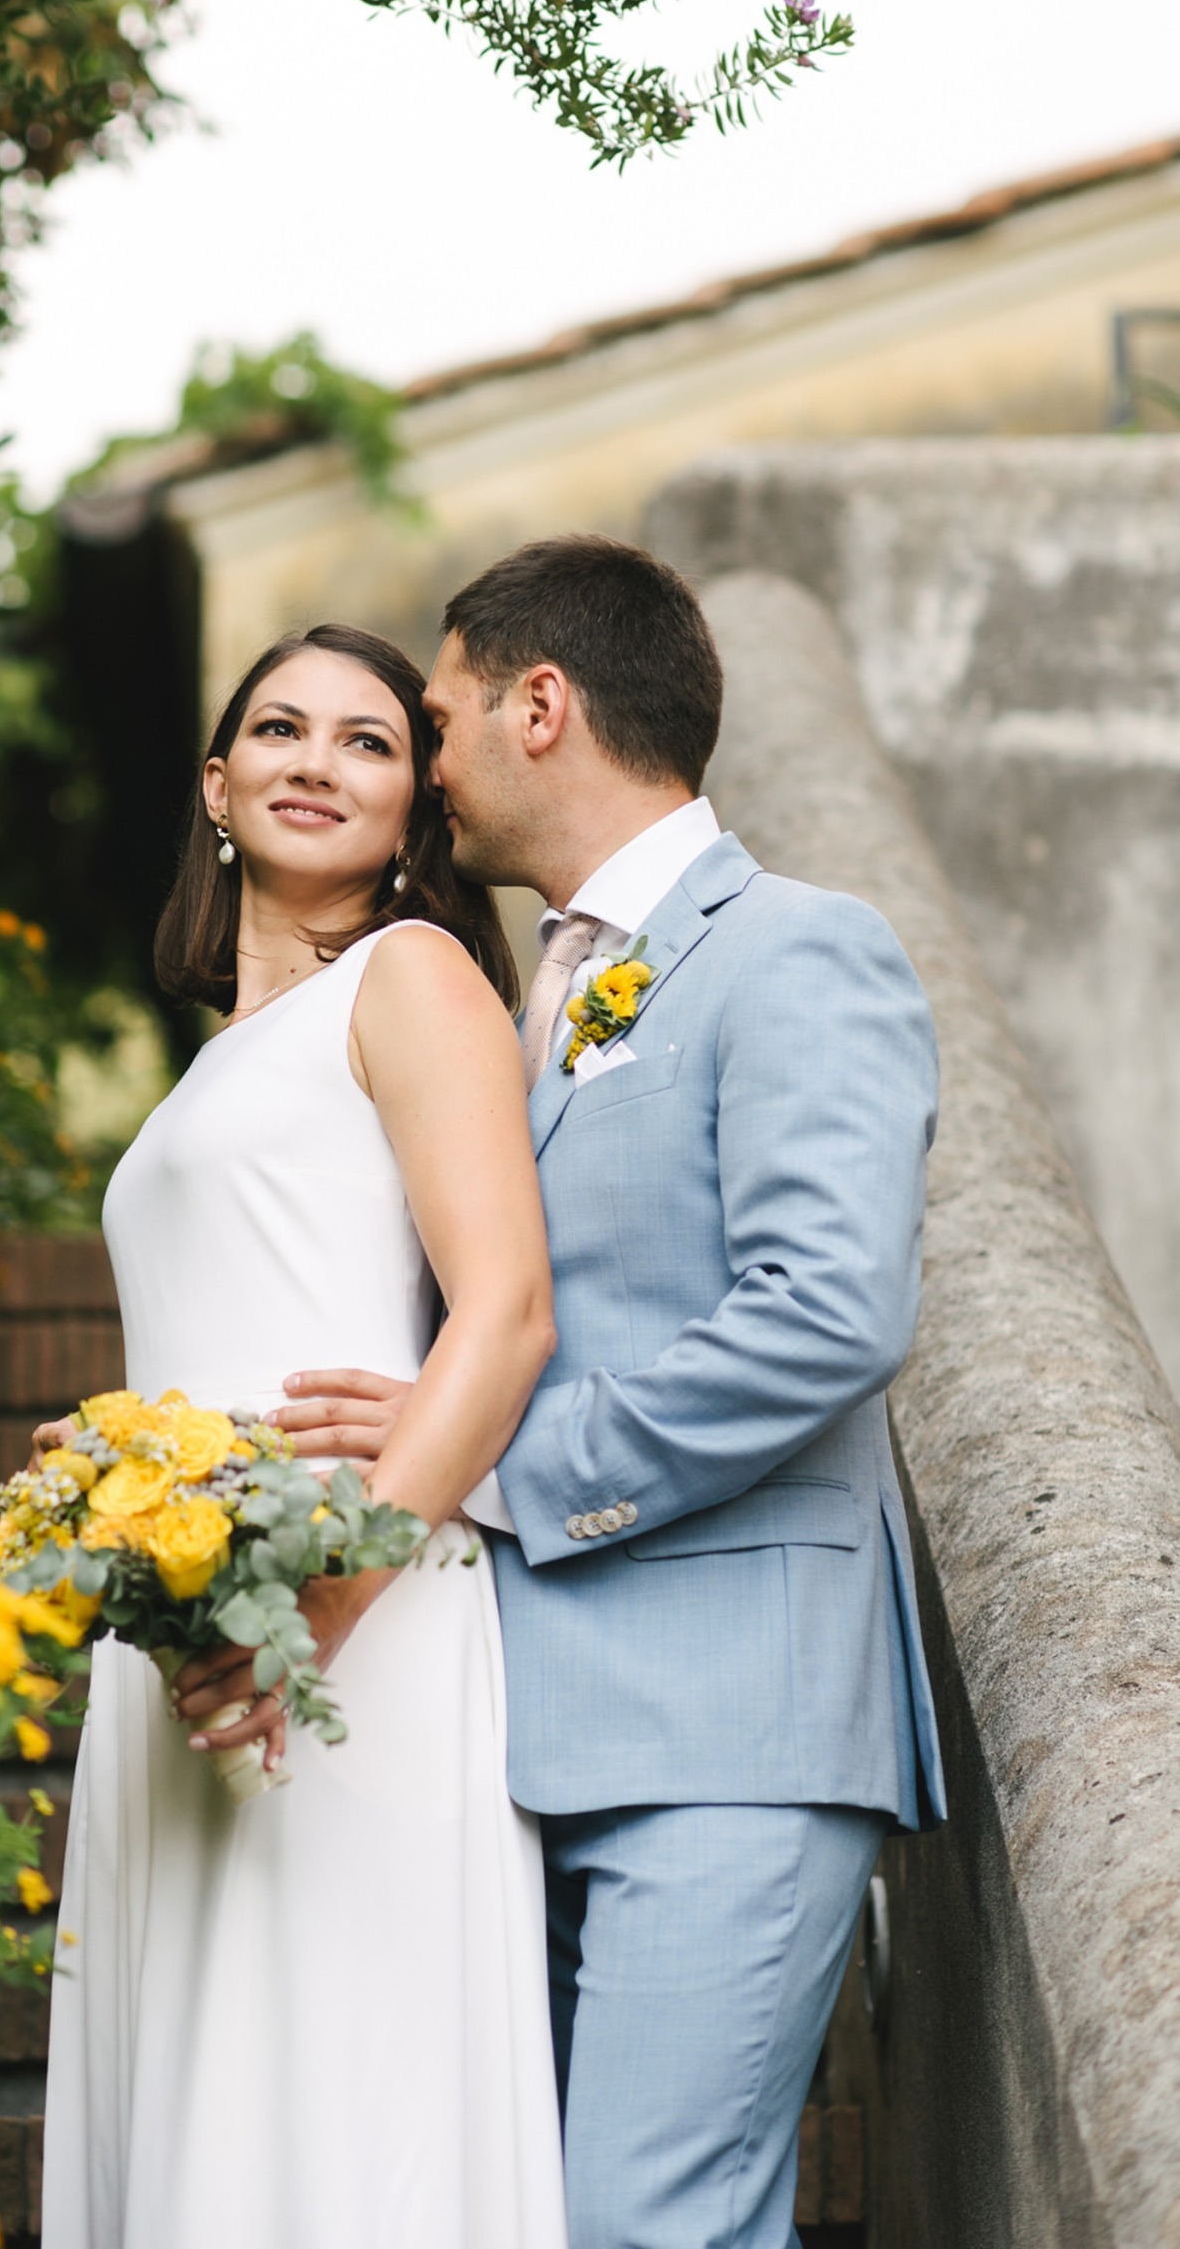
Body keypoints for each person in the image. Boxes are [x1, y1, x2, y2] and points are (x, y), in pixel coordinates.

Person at [274, 537, 947, 2249]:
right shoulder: (520, 996)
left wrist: (503, 1469)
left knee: (652, 2227)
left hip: (729, 1731)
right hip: (514, 1731)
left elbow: (823, 1313)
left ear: (539, 705)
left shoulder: (799, 949)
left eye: (431, 717)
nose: (422, 765)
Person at [38, 622, 570, 2249]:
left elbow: (507, 1312)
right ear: (217, 783)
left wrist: (321, 1605)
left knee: (343, 2107)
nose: (315, 763)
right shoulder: (214, 1060)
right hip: (191, 1621)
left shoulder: (407, 978)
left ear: (416, 807)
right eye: (279, 729)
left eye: (366, 742)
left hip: (358, 1617)